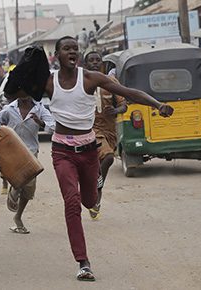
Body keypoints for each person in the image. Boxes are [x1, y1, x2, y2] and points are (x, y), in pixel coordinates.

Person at [39, 36, 173, 281]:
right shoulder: (48, 83)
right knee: (71, 202)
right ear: (57, 55)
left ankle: (97, 187)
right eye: (67, 48)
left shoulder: (90, 78)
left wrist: (157, 104)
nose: (73, 51)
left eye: (75, 48)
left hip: (89, 150)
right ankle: (83, 262)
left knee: (89, 202)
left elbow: (128, 92)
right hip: (62, 152)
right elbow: (18, 92)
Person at [0, 93, 55, 233]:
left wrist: (41, 123)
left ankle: (18, 215)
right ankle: (14, 189)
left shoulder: (39, 109)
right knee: (17, 179)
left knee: (29, 187)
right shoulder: (9, 108)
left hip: (31, 151)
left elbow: (53, 126)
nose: (24, 94)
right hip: (12, 149)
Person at [82, 51, 127, 220]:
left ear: (101, 63)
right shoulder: (82, 83)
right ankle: (95, 190)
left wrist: (116, 110)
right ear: (85, 65)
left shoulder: (111, 82)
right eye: (90, 60)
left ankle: (96, 195)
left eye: (97, 60)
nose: (94, 62)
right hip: (91, 130)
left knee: (101, 164)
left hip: (110, 131)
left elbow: (123, 104)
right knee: (108, 158)